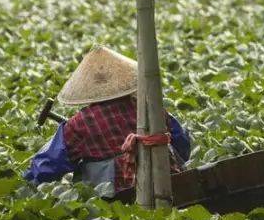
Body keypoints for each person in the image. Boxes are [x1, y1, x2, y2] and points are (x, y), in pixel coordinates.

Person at [24, 45, 192, 196]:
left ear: (88, 89)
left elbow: (48, 167)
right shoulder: (150, 108)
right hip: (166, 181)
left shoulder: (80, 123)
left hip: (113, 195)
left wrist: (27, 183)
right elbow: (182, 144)